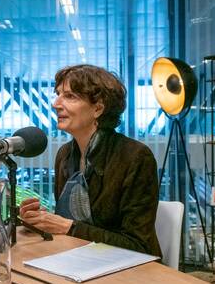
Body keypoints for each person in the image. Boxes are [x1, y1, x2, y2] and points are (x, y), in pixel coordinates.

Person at [19, 64, 162, 257]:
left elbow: (138, 245)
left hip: (129, 268)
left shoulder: (135, 157)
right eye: (58, 94)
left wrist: (68, 227)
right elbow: (69, 222)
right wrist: (41, 219)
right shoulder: (65, 154)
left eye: (70, 96)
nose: (56, 104)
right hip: (78, 258)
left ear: (98, 109)